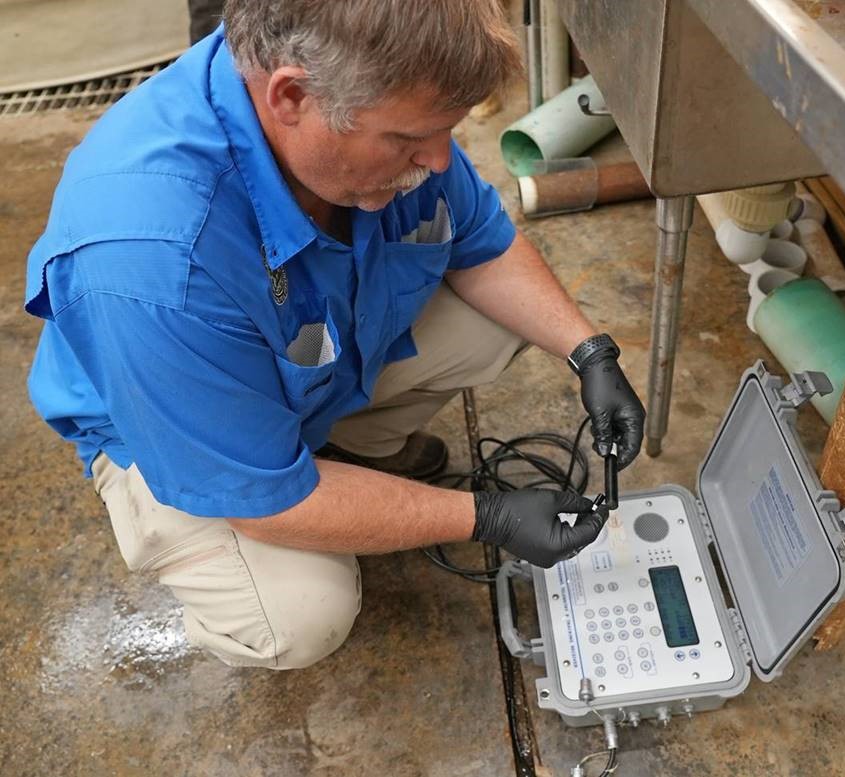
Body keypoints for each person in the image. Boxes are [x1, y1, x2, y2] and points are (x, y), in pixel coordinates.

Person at [24, 0, 645, 670]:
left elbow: (479, 241)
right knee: (301, 613)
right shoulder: (153, 258)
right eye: (410, 140)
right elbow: (263, 501)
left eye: (446, 132)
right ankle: (280, 502)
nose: (439, 160)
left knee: (501, 319)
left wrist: (590, 352)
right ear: (291, 96)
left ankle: (346, 453)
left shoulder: (367, 105)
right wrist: (484, 516)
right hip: (174, 431)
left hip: (306, 352)